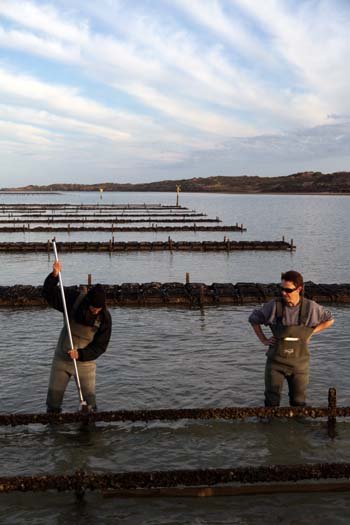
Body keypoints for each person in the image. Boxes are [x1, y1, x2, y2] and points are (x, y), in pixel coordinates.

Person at [249, 270, 334, 407]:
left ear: (299, 289)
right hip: (275, 364)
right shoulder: (274, 306)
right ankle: (270, 427)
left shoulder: (311, 307)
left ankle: (298, 427)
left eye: (288, 290)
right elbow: (253, 319)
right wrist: (263, 340)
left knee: (298, 402)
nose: (283, 293)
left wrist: (310, 333)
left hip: (300, 365)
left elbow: (329, 320)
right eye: (281, 289)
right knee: (271, 402)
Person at [42, 260, 112, 412]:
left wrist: (80, 354)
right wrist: (54, 276)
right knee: (53, 403)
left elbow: (101, 346)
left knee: (90, 406)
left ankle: (88, 432)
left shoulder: (104, 318)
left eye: (99, 309)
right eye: (93, 308)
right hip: (62, 359)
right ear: (88, 302)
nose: (95, 311)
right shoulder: (74, 299)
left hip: (85, 364)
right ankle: (54, 432)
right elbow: (48, 294)